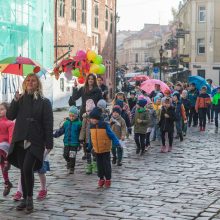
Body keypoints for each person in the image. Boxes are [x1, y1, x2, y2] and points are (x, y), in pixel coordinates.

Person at [6, 74, 53, 213]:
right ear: (25, 84)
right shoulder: (20, 100)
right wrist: (14, 100)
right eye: (28, 80)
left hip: (36, 140)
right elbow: (10, 116)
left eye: (33, 80)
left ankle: (30, 199)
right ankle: (25, 199)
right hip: (20, 138)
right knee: (23, 170)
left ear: (38, 84)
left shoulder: (45, 102)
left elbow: (48, 123)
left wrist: (49, 142)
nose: (30, 82)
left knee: (27, 168)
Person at [88, 107, 121, 188]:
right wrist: (89, 146)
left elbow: (112, 135)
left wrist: (117, 142)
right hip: (97, 150)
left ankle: (108, 179)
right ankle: (101, 178)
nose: (91, 120)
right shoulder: (91, 127)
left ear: (97, 118)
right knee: (99, 166)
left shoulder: (104, 125)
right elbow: (91, 138)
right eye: (91, 119)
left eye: (93, 119)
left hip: (105, 149)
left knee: (106, 165)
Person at [53, 106, 82, 174]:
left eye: (73, 116)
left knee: (72, 156)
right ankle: (68, 161)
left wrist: (81, 141)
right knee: (65, 155)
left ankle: (72, 168)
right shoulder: (66, 123)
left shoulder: (79, 123)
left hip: (74, 143)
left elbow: (82, 133)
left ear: (76, 116)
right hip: (66, 143)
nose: (71, 117)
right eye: (70, 116)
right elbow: (61, 130)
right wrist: (55, 134)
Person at [0, 102, 14, 196]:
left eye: (2, 109)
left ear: (7, 110)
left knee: (3, 166)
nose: (0, 111)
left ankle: (7, 161)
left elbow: (11, 138)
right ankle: (7, 183)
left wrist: (10, 152)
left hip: (5, 147)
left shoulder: (10, 123)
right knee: (2, 167)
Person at [79, 99, 96, 174]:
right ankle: (89, 166)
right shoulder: (85, 119)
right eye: (88, 111)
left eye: (91, 111)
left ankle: (95, 165)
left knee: (95, 153)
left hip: (94, 139)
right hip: (87, 139)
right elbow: (83, 129)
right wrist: (81, 138)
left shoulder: (96, 118)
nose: (89, 113)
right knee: (88, 153)